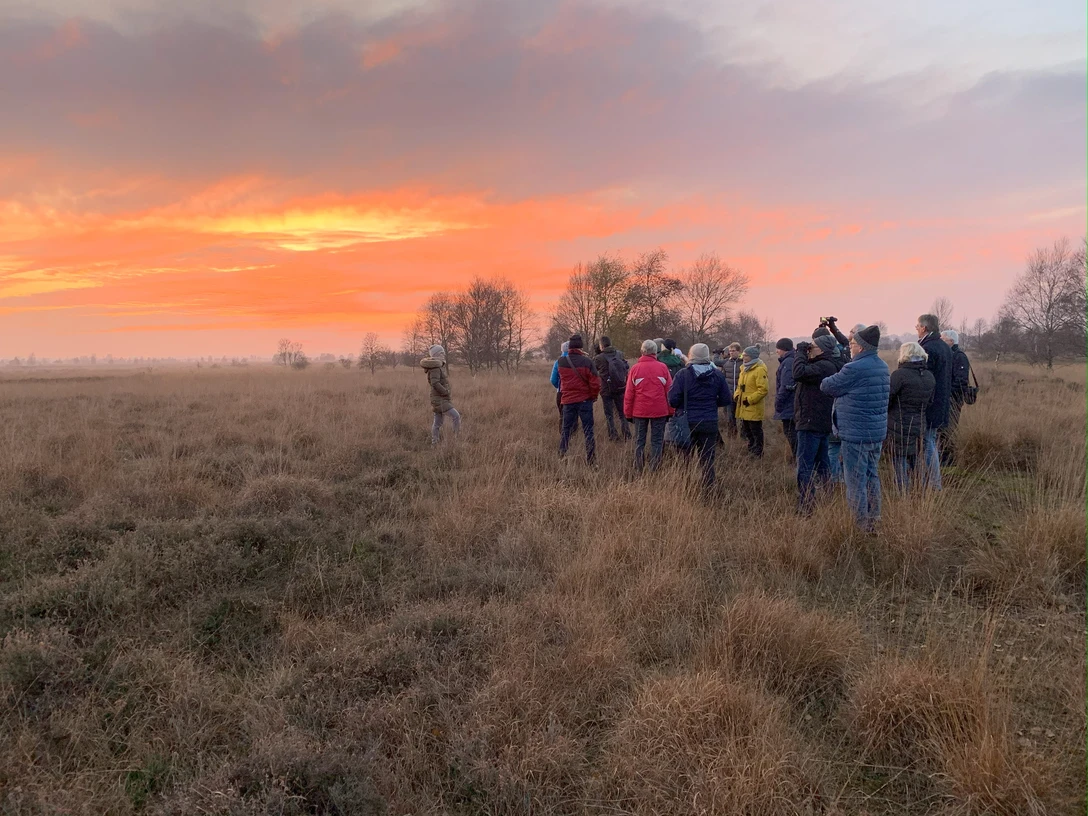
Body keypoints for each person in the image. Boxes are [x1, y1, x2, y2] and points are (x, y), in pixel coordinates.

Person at [820, 325, 890, 532]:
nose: (849, 345)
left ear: (861, 347)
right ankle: (874, 517)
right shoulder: (882, 366)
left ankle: (859, 524)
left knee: (855, 480)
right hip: (876, 432)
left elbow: (826, 385)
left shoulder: (854, 368)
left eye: (851, 343)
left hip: (856, 434)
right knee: (871, 474)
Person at [667, 343, 732, 490]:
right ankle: (709, 490)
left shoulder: (683, 374)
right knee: (707, 459)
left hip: (686, 422)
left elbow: (672, 400)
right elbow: (726, 399)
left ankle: (685, 489)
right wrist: (711, 403)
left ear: (691, 355)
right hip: (709, 421)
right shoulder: (717, 375)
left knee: (684, 459)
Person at [792, 334, 838, 515]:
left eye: (813, 347)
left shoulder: (823, 366)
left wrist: (801, 352)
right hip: (818, 422)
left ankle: (806, 505)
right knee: (822, 463)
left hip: (811, 422)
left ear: (822, 350)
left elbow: (798, 373)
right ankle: (828, 498)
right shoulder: (825, 364)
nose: (810, 350)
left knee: (805, 465)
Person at [887, 341, 935, 491]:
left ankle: (903, 494)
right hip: (919, 422)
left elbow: (888, 398)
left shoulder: (899, 375)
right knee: (916, 459)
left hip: (899, 424)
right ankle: (921, 491)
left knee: (899, 459)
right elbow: (930, 401)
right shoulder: (929, 376)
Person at [625, 339, 673, 472]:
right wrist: (671, 411)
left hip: (639, 412)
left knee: (639, 440)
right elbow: (669, 391)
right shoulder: (662, 367)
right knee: (657, 441)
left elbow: (629, 393)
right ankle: (655, 469)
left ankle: (638, 468)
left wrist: (628, 413)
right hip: (659, 411)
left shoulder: (635, 369)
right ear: (655, 352)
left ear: (642, 351)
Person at [917, 314, 952, 490]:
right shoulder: (944, 346)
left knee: (927, 441)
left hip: (930, 403)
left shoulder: (928, 348)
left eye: (917, 326)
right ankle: (930, 481)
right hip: (942, 401)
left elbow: (924, 378)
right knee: (930, 440)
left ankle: (933, 483)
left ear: (924, 328)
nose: (916, 329)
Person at [557, 334, 601, 464]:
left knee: (566, 430)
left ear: (569, 347)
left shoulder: (561, 362)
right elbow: (595, 383)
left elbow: (560, 380)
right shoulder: (588, 362)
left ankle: (562, 455)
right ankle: (591, 460)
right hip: (585, 401)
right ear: (581, 347)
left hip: (568, 401)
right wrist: (593, 396)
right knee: (588, 431)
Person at [939, 329, 970, 466]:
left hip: (953, 399)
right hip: (946, 399)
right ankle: (942, 459)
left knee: (949, 430)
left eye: (943, 339)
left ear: (951, 341)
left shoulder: (959, 356)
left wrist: (949, 393)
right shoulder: (948, 354)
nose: (941, 342)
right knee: (942, 429)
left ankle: (949, 461)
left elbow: (961, 381)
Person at [420, 344, 461, 445]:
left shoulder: (437, 366)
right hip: (439, 399)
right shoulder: (435, 368)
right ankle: (456, 439)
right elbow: (435, 383)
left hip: (438, 399)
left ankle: (435, 443)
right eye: (441, 353)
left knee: (437, 423)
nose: (444, 354)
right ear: (437, 354)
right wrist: (445, 391)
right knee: (456, 416)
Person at [594, 336, 632, 441]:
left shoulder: (599, 358)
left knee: (609, 414)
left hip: (606, 390)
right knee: (622, 413)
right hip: (620, 387)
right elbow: (626, 367)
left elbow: (593, 370)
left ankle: (613, 435)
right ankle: (627, 434)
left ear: (601, 346)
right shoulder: (619, 354)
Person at [734, 345, 769, 458]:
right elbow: (740, 386)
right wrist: (736, 395)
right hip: (743, 406)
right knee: (747, 430)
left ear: (752, 357)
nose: (743, 357)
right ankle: (751, 450)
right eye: (743, 355)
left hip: (753, 406)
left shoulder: (759, 369)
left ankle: (758, 452)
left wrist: (749, 400)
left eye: (746, 355)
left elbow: (763, 390)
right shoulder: (744, 369)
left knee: (756, 431)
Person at [773, 338, 798, 460]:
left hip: (789, 406)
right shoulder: (792, 359)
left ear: (783, 349)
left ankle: (797, 459)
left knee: (791, 433)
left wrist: (778, 402)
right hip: (793, 405)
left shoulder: (788, 363)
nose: (777, 351)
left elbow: (786, 385)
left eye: (778, 348)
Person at [713, 342, 743, 437]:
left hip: (742, 394)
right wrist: (717, 353)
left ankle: (744, 436)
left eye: (733, 351)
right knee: (730, 417)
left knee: (743, 417)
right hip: (730, 394)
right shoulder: (726, 362)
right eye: (730, 351)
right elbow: (716, 362)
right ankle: (732, 435)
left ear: (739, 351)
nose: (731, 353)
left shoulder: (744, 362)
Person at [549, 341, 569, 418]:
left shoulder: (558, 362)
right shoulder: (578, 361)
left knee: (562, 416)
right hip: (575, 393)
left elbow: (553, 379)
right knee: (573, 416)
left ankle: (562, 429)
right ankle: (574, 429)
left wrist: (559, 386)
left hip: (561, 392)